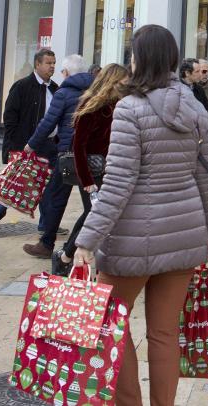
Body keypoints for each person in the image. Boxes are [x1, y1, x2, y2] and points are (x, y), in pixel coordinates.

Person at [72, 25, 208, 406]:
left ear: (139, 59)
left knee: (108, 326)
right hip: (185, 232)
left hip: (133, 241)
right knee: (165, 334)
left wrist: (86, 240)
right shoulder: (195, 106)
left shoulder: (129, 108)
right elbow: (204, 174)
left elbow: (118, 182)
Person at [51, 63, 130, 276]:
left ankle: (68, 256)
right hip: (92, 169)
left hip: (110, 167)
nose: (127, 84)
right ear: (112, 81)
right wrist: (86, 179)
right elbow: (78, 145)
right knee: (93, 213)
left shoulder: (120, 104)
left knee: (96, 213)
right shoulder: (92, 104)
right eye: (123, 81)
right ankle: (66, 255)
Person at [22, 54, 94, 259]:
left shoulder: (63, 93)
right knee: (90, 204)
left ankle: (48, 244)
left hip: (68, 155)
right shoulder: (96, 91)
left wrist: (30, 145)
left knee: (54, 198)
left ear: (66, 73)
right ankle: (84, 246)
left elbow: (47, 123)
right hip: (90, 156)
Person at [0, 49, 58, 235]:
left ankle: (46, 227)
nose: (52, 67)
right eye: (48, 63)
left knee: (48, 186)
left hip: (50, 145)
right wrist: (15, 146)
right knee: (15, 184)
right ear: (38, 64)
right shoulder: (22, 86)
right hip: (26, 145)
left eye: (54, 63)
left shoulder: (55, 89)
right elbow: (10, 116)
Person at [180, 58, 208, 145]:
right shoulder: (177, 88)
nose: (205, 74)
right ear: (188, 73)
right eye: (201, 71)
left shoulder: (203, 90)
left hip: (200, 137)